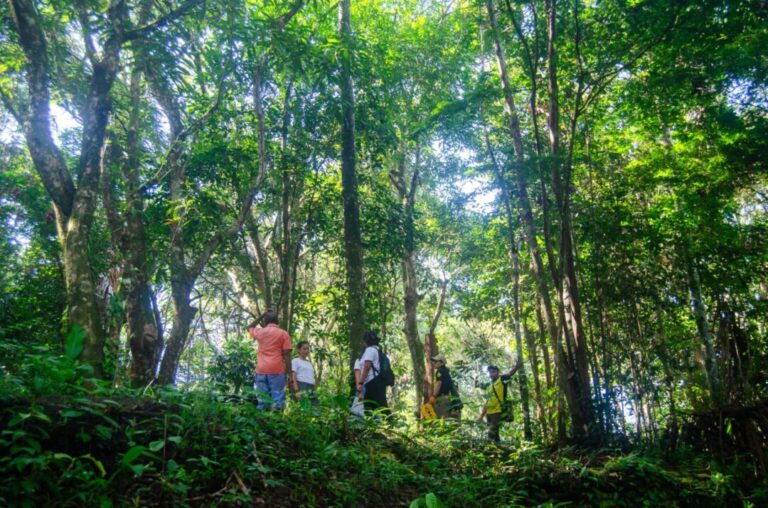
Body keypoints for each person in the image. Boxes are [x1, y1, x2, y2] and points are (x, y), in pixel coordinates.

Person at [248, 310, 292, 411]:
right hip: (276, 369)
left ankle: (262, 421)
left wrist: (262, 315)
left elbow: (249, 327)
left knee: (262, 398)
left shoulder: (260, 332)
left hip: (261, 369)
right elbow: (286, 354)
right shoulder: (283, 334)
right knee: (277, 398)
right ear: (277, 322)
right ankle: (275, 422)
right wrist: (289, 373)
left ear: (265, 322)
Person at [476, 363, 519, 442]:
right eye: (490, 372)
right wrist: (481, 416)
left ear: (497, 372)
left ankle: (491, 450)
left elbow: (510, 374)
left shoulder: (502, 379)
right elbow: (487, 401)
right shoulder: (490, 385)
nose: (491, 374)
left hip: (497, 411)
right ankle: (498, 449)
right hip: (489, 412)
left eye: (493, 372)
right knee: (494, 433)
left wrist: (516, 367)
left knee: (491, 432)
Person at [356, 330, 389, 414]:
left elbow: (367, 366)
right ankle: (389, 423)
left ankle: (391, 423)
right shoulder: (376, 350)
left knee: (372, 407)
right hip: (376, 382)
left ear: (365, 341)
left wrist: (360, 383)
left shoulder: (370, 350)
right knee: (377, 407)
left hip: (372, 383)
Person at [429, 354, 461, 419]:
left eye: (435, 361)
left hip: (443, 399)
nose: (433, 363)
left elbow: (438, 384)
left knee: (441, 418)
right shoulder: (446, 371)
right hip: (450, 399)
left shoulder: (439, 371)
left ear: (441, 363)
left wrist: (433, 396)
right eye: (433, 361)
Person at [291, 341, 318, 406]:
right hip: (301, 386)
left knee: (315, 407)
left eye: (308, 349)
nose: (306, 351)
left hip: (311, 387)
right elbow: (293, 377)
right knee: (303, 408)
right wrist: (297, 391)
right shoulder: (295, 361)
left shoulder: (309, 363)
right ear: (298, 350)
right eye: (304, 349)